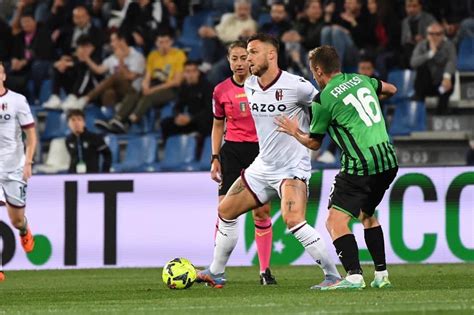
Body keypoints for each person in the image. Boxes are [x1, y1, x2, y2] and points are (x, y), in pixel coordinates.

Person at [197, 34, 341, 289]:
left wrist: (311, 136)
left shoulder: (297, 86)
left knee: (293, 219)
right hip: (263, 166)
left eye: (253, 52)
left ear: (271, 55)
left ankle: (333, 276)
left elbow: (328, 106)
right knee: (225, 211)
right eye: (245, 54)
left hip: (292, 168)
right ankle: (217, 272)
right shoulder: (250, 84)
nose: (248, 58)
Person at [275, 45, 398, 290]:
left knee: (335, 220)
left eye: (312, 71)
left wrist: (293, 130)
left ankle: (353, 276)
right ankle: (381, 276)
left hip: (360, 165)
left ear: (319, 70)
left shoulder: (323, 99)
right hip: (388, 160)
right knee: (367, 214)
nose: (312, 76)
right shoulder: (360, 79)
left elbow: (314, 142)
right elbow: (392, 89)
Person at [209, 40, 276, 285]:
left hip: (260, 151)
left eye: (242, 58)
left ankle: (265, 270)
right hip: (232, 152)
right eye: (234, 59)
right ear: (228, 61)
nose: (239, 63)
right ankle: (217, 271)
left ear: (250, 60)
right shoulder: (220, 91)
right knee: (224, 211)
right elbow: (217, 125)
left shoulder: (262, 87)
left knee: (262, 211)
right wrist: (215, 157)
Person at [0, 61, 37, 282]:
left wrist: (28, 162)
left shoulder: (17, 101)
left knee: (16, 220)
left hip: (14, 168)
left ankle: (24, 230)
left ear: (3, 76)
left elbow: (31, 135)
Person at [160, 61, 212, 142]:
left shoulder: (207, 86)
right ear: (184, 74)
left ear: (198, 72)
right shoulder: (184, 87)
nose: (191, 74)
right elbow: (177, 106)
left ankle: (200, 150)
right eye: (188, 71)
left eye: (193, 71)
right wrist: (178, 116)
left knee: (204, 123)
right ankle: (171, 148)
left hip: (204, 120)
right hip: (189, 120)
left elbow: (210, 110)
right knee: (165, 123)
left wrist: (191, 118)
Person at [411, 23, 456, 115]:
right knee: (421, 69)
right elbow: (413, 62)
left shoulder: (449, 45)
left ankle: (442, 111)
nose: (434, 37)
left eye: (438, 34)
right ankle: (418, 112)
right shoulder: (421, 45)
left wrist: (447, 77)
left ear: (443, 35)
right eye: (431, 34)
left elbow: (452, 61)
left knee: (450, 75)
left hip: (441, 86)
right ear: (427, 35)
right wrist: (430, 53)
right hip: (426, 86)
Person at [65, 109, 112, 174]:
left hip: (91, 175)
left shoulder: (95, 137)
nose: (76, 123)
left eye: (79, 119)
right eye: (73, 120)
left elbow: (107, 154)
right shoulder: (68, 140)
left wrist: (105, 172)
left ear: (84, 123)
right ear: (68, 123)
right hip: (73, 175)